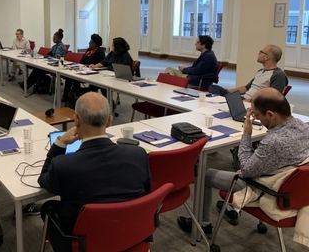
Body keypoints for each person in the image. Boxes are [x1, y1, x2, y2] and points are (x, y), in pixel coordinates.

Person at [177, 88, 309, 239]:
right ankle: (228, 208)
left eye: (257, 115)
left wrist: (246, 134)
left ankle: (201, 224)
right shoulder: (303, 126)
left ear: (271, 114)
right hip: (293, 185)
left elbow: (246, 170)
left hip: (267, 188)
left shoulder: (274, 141)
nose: (256, 118)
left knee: (203, 174)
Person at [38, 92, 151, 252]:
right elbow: (146, 196)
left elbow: (44, 181)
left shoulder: (63, 165)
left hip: (85, 244)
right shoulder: (138, 155)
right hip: (132, 235)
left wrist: (60, 143)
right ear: (110, 121)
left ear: (76, 121)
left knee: (49, 207)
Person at [209, 44, 288, 101]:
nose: (258, 54)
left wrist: (249, 101)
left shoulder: (278, 75)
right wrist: (230, 91)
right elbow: (246, 88)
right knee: (214, 88)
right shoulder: (261, 71)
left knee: (218, 98)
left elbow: (272, 98)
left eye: (261, 52)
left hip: (252, 102)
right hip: (243, 98)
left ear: (267, 57)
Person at [62, 33, 105, 100]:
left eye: (91, 42)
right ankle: (68, 96)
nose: (89, 43)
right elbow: (82, 60)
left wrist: (88, 66)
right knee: (70, 77)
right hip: (84, 70)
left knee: (75, 78)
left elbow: (99, 65)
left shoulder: (100, 52)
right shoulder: (89, 51)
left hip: (93, 73)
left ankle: (77, 95)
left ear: (95, 44)